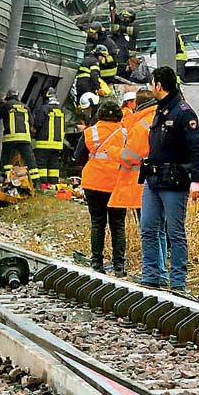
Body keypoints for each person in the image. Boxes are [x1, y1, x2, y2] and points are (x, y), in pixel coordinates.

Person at [138, 67, 199, 291]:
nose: (150, 88)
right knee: (148, 228)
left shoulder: (184, 113)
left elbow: (197, 148)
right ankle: (151, 276)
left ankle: (178, 281)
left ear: (159, 86)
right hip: (154, 179)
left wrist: (197, 180)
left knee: (174, 232)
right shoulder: (161, 110)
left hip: (175, 181)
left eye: (152, 83)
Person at [73, 100, 125, 275]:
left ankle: (97, 263)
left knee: (97, 223)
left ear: (100, 115)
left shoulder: (90, 132)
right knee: (117, 224)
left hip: (93, 182)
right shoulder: (125, 133)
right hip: (117, 183)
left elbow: (79, 157)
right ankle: (119, 266)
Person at [0, 90, 40, 185]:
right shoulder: (25, 107)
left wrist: (0, 103)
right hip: (25, 139)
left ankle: (7, 180)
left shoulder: (7, 105)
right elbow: (31, 122)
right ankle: (37, 183)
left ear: (8, 96)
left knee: (7, 161)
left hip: (11, 138)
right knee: (31, 162)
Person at [31, 88, 65, 190]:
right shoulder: (60, 110)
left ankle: (43, 184)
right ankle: (53, 184)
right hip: (57, 144)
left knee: (41, 164)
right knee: (53, 164)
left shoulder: (44, 109)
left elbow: (37, 124)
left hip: (44, 143)